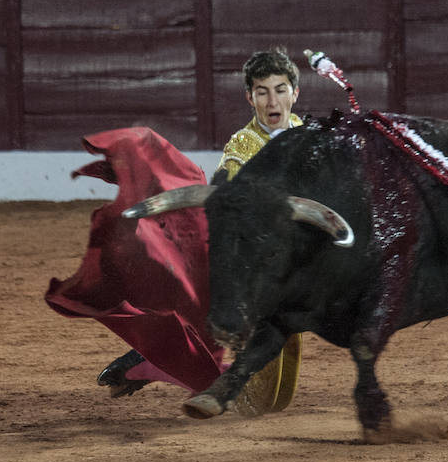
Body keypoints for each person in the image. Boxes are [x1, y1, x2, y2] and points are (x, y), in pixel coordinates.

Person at [87, 48, 307, 401]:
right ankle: (153, 362)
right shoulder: (242, 148)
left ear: (295, 94)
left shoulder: (303, 130)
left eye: (280, 90)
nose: (272, 100)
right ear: (250, 97)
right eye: (262, 92)